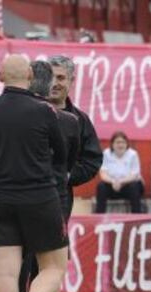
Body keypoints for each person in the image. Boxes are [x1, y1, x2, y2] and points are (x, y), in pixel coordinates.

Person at [0, 54, 68, 292]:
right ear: (31, 75)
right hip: (39, 197)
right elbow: (61, 153)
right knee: (54, 266)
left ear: (1, 75)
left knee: (5, 274)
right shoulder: (44, 111)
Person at [48, 55, 103, 213]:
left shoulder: (80, 120)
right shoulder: (29, 114)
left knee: (56, 238)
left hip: (60, 198)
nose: (54, 83)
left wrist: (66, 177)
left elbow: (92, 160)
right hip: (26, 195)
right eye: (51, 77)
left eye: (60, 78)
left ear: (71, 80)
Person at [95, 131, 144, 213]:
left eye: (123, 142)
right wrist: (113, 181)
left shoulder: (133, 154)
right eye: (117, 142)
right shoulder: (106, 154)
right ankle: (99, 217)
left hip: (128, 185)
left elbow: (135, 174)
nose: (120, 145)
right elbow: (103, 174)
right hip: (112, 185)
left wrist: (120, 182)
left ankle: (136, 217)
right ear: (112, 144)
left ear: (126, 144)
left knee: (135, 186)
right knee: (101, 187)